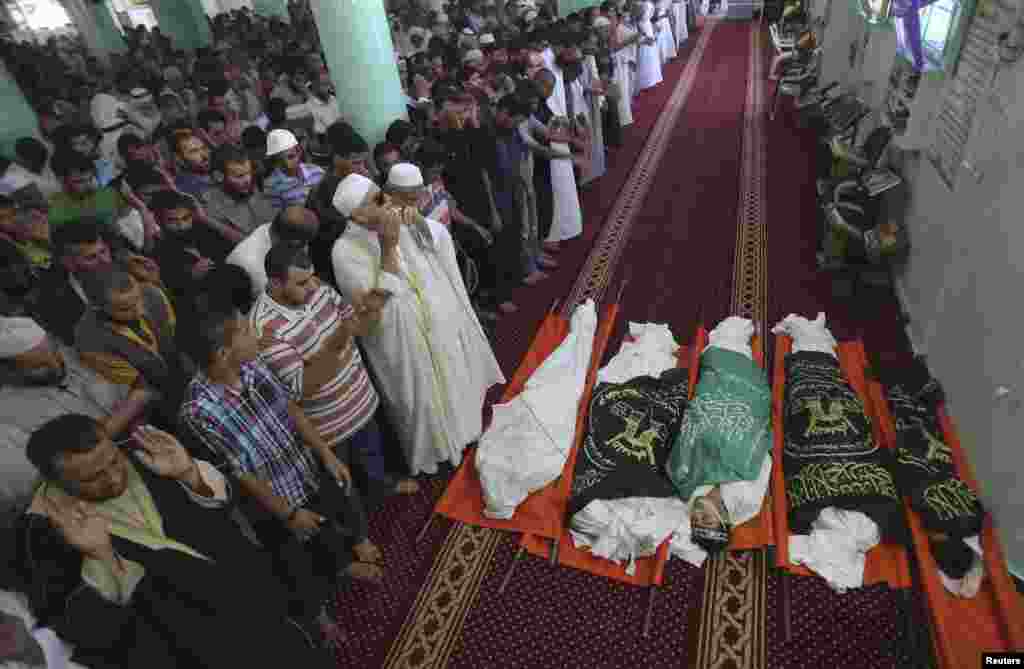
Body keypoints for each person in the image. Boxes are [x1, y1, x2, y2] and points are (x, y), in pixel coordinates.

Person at [14, 415, 337, 667]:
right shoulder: (43, 533)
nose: (114, 478)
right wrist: (102, 558)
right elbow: (83, 626)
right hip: (198, 645)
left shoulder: (144, 452)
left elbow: (228, 510)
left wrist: (189, 475)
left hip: (256, 594)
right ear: (56, 481)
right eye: (92, 478)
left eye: (114, 461)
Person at [179, 308, 386, 584]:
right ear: (223, 354)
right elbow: (238, 472)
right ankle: (342, 566)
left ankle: (349, 545)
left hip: (306, 465)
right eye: (246, 331)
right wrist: (288, 513)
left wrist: (325, 453)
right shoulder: (198, 413)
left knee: (332, 510)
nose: (257, 334)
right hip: (279, 498)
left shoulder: (254, 363)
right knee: (311, 545)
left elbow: (289, 407)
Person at [331, 171, 505, 475]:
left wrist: (419, 223)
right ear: (357, 215)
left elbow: (432, 248)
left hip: (432, 320)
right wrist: (388, 246)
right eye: (376, 199)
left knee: (452, 376)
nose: (385, 201)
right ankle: (434, 456)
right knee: (420, 398)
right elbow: (371, 305)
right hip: (398, 339)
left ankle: (465, 434)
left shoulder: (390, 219)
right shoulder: (344, 251)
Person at [252, 243, 420, 497]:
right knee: (346, 487)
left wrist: (372, 310)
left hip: (361, 402)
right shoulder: (264, 328)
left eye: (311, 277)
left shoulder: (317, 287)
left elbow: (356, 327)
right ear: (276, 284)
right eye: (301, 283)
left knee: (373, 459)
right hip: (330, 428)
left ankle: (382, 486)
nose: (312, 286)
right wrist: (340, 339)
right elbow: (302, 386)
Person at [0, 317, 152, 508]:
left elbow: (136, 383)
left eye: (55, 353)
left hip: (147, 456)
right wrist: (134, 404)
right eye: (40, 367)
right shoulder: (8, 418)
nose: (57, 367)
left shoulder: (77, 353)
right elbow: (50, 473)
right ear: (6, 372)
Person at [664, 317, 774, 555]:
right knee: (736, 387)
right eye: (709, 520)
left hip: (709, 408)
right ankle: (734, 346)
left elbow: (680, 452)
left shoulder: (687, 487)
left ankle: (726, 345)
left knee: (714, 379)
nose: (700, 514)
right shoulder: (745, 498)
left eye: (697, 521)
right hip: (741, 414)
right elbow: (761, 458)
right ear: (724, 518)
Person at [74, 268, 190, 431]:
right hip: (153, 399)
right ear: (97, 307)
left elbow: (178, 337)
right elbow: (139, 388)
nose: (139, 310)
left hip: (186, 372)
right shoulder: (89, 340)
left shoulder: (151, 293)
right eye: (124, 309)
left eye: (138, 299)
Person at [33, 220, 165, 346]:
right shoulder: (53, 298)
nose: (104, 261)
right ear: (68, 263)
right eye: (91, 257)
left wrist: (156, 283)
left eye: (103, 251)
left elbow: (160, 316)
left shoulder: (132, 269)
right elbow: (75, 341)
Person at [226, 204, 321, 301]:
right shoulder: (252, 264)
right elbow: (276, 301)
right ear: (295, 242)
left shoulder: (281, 230)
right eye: (305, 243)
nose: (305, 247)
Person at [204, 144, 277, 236]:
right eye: (239, 176)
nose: (248, 180)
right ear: (218, 176)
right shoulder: (212, 209)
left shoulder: (257, 188)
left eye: (249, 173)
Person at [263, 129, 326, 211]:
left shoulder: (317, 172)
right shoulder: (271, 186)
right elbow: (278, 219)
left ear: (299, 152)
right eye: (280, 161)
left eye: (290, 156)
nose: (286, 164)